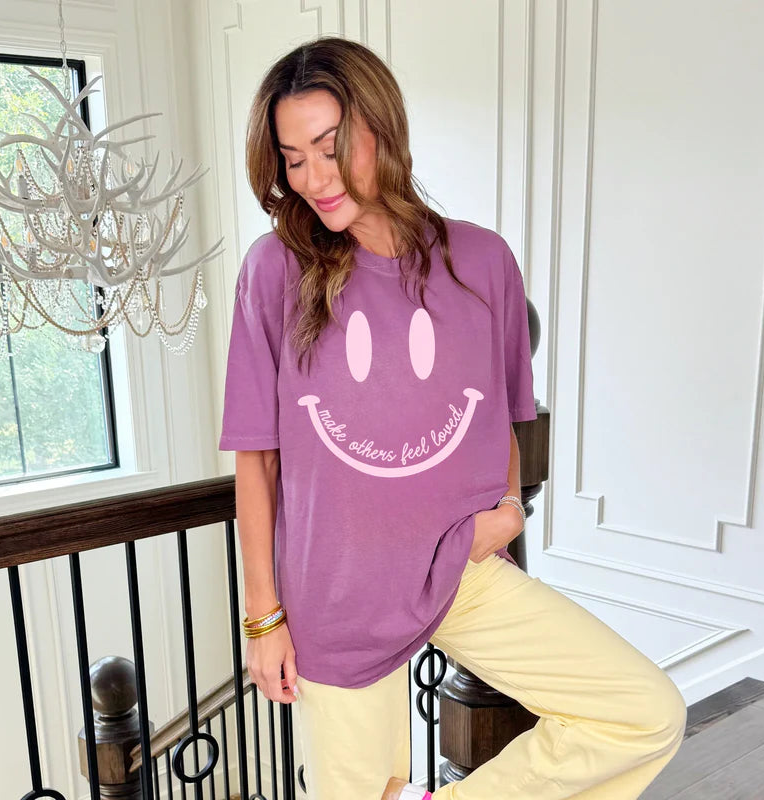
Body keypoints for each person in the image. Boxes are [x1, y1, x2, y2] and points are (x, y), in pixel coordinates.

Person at [218, 34, 686, 800]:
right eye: (293, 159)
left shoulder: (482, 262)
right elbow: (257, 458)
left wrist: (508, 507)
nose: (314, 178)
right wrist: (263, 618)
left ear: (383, 129)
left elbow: (503, 414)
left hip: (457, 569)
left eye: (331, 148)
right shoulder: (275, 269)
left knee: (643, 713)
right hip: (337, 596)